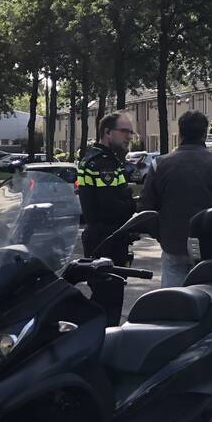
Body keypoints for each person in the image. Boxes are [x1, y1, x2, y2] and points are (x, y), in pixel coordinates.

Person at [140, 111, 212, 287]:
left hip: (173, 245)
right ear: (205, 134)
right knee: (208, 296)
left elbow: (146, 208)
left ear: (180, 132)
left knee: (173, 298)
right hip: (210, 248)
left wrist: (161, 235)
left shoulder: (160, 165)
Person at [78, 112, 136, 325]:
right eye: (124, 131)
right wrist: (134, 204)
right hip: (107, 239)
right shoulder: (104, 163)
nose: (129, 136)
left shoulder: (97, 158)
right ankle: (103, 340)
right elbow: (111, 207)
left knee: (104, 297)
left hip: (102, 237)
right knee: (109, 302)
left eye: (130, 132)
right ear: (107, 133)